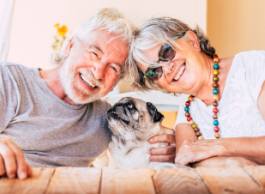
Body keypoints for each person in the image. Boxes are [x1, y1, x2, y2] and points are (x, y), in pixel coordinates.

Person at [128, 16, 265, 168]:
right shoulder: (188, 112)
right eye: (154, 71)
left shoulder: (254, 68)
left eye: (166, 52)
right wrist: (229, 162)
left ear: (192, 41)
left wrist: (219, 147)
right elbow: (187, 161)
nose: (167, 69)